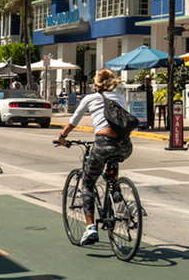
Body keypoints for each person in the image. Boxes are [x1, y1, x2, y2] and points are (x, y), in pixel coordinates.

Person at [56, 68, 133, 246]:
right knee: (113, 160)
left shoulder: (90, 98)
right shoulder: (120, 97)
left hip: (102, 143)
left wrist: (62, 137)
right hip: (125, 145)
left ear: (95, 84)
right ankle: (114, 190)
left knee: (88, 184)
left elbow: (73, 121)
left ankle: (90, 228)